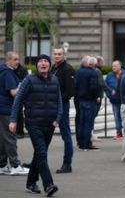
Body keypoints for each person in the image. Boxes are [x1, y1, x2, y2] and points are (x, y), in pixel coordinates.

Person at [9, 55, 60, 196]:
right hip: (34, 123)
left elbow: (59, 100)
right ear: (37, 65)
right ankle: (48, 184)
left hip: (50, 124)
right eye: (40, 61)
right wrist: (13, 120)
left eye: (46, 61)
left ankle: (31, 182)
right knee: (42, 153)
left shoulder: (55, 80)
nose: (43, 63)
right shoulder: (29, 80)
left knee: (39, 153)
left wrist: (58, 118)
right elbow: (18, 99)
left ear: (49, 65)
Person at [0, 51, 29, 176]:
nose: (18, 62)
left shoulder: (2, 71)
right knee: (10, 137)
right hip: (7, 109)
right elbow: (14, 92)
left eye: (18, 59)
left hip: (2, 108)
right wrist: (23, 86)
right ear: (8, 61)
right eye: (15, 59)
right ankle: (15, 165)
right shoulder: (8, 72)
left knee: (2, 138)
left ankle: (1, 165)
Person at [50, 47, 75, 174]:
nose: (57, 56)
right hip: (50, 106)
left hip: (62, 106)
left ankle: (67, 164)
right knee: (43, 135)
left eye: (59, 54)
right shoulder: (53, 68)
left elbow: (70, 92)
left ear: (64, 55)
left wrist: (58, 100)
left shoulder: (67, 69)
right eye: (55, 54)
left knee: (66, 135)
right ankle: (36, 162)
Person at [74, 56, 101, 151]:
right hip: (90, 101)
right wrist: (96, 96)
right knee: (88, 124)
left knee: (81, 122)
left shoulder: (78, 71)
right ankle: (86, 144)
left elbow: (75, 85)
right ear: (94, 64)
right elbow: (93, 87)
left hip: (80, 100)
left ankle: (81, 143)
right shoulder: (93, 73)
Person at [105, 61, 125, 140]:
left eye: (115, 66)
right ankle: (119, 132)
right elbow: (105, 87)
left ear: (120, 66)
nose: (113, 68)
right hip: (114, 101)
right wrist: (109, 95)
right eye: (113, 66)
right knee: (117, 116)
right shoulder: (109, 75)